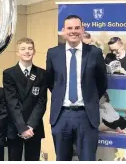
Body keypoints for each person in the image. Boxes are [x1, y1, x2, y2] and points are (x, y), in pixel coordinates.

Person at [46, 15, 108, 161]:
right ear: (63, 31)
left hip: (86, 116)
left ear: (82, 29)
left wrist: (90, 99)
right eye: (69, 28)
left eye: (76, 28)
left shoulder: (94, 53)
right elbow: (50, 82)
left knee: (87, 158)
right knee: (62, 158)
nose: (73, 31)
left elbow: (102, 82)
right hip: (62, 115)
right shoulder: (53, 53)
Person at [2, 38, 47, 161]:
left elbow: (41, 102)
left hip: (34, 127)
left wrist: (30, 126)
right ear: (17, 52)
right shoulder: (9, 73)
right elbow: (11, 102)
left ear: (34, 51)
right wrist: (22, 127)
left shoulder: (41, 73)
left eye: (30, 49)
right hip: (16, 126)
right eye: (23, 49)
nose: (27, 52)